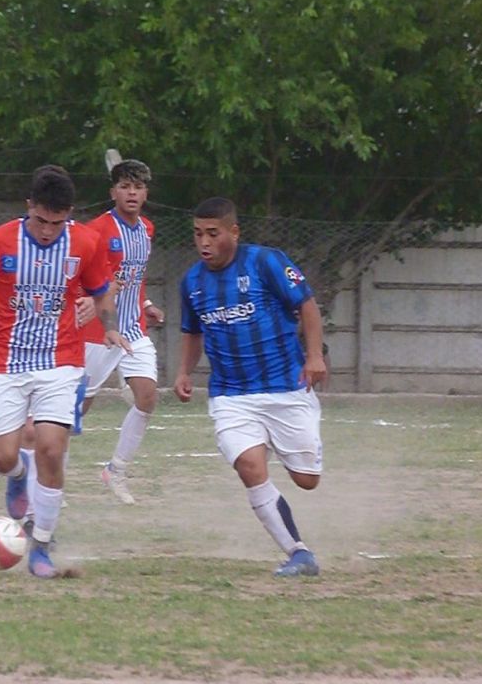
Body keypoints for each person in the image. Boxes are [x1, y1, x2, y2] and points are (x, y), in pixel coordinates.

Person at [0, 165, 129, 579]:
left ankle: (42, 546)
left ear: (69, 216)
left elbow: (103, 292)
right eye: (41, 220)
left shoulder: (85, 242)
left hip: (61, 361)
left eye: (57, 222)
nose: (48, 231)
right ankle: (17, 476)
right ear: (28, 207)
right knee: (3, 457)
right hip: (5, 362)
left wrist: (112, 327)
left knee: (50, 447)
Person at [173, 197, 326, 577]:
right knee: (249, 466)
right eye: (197, 234)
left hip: (285, 387)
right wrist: (183, 372)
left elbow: (307, 305)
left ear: (234, 232)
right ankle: (298, 553)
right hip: (231, 395)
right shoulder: (191, 281)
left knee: (307, 480)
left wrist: (314, 357)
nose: (204, 242)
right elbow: (192, 332)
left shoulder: (265, 262)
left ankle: (280, 445)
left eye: (213, 233)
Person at [80, 159, 164, 505]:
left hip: (133, 329)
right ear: (113, 191)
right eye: (125, 186)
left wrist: (145, 306)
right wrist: (93, 295)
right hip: (98, 332)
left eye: (139, 187)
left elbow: (136, 279)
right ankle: (46, 473)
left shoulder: (147, 229)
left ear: (146, 193)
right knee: (74, 411)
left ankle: (115, 471)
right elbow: (82, 279)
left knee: (147, 398)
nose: (132, 193)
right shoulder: (96, 231)